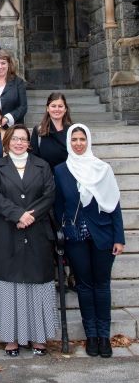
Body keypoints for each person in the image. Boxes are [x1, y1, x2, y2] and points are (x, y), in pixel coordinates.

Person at [0, 124, 58, 356]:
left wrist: (29, 216)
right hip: (6, 232)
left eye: (23, 139)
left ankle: (38, 337)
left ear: (29, 143)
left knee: (36, 284)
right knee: (9, 286)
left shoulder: (42, 166)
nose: (18, 143)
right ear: (7, 142)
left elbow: (49, 195)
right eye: (14, 139)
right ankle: (11, 338)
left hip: (36, 232)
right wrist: (17, 214)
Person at [54, 124, 125, 358]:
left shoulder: (102, 169)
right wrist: (61, 232)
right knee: (84, 287)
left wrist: (119, 237)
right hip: (76, 238)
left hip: (103, 236)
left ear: (88, 141)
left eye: (82, 139)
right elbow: (59, 207)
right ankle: (91, 336)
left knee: (102, 286)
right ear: (68, 142)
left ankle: (105, 337)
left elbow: (114, 204)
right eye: (73, 139)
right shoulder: (62, 170)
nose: (78, 143)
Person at [30, 92, 73, 170]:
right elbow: (33, 157)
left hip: (68, 175)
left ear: (65, 109)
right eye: (53, 106)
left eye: (60, 106)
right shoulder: (38, 131)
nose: (57, 109)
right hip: (46, 177)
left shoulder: (72, 130)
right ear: (47, 108)